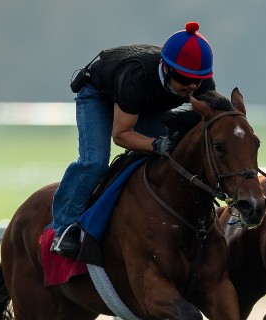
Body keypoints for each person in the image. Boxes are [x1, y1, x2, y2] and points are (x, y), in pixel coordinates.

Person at [49, 22, 216, 258]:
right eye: (184, 79)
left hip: (142, 104)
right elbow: (121, 134)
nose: (191, 87)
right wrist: (156, 144)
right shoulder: (136, 75)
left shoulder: (199, 82)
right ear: (167, 69)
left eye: (197, 82)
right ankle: (63, 229)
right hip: (99, 96)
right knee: (94, 162)